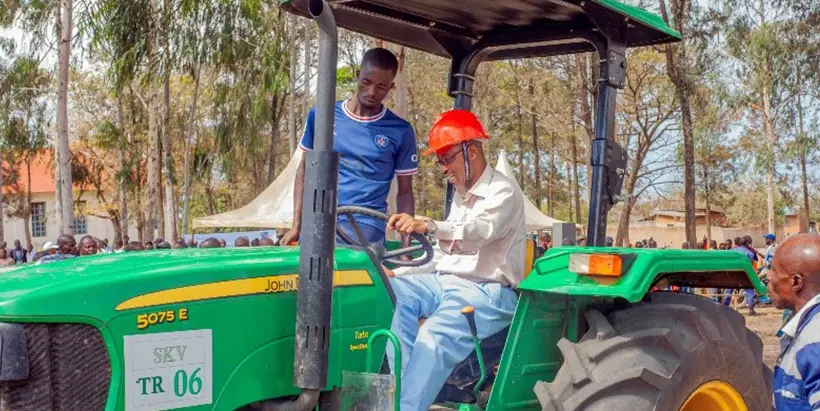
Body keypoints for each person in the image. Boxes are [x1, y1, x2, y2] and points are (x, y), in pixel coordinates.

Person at [383, 110, 525, 411]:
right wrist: (399, 273)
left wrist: (431, 224)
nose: (443, 168)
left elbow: (477, 233)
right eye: (440, 161)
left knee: (435, 335)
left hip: (489, 291)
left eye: (447, 158)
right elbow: (443, 255)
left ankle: (404, 406)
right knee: (390, 294)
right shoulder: (461, 193)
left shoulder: (503, 191)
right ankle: (400, 397)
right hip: (446, 282)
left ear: (471, 152)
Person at [281, 48, 418, 247]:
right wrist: (297, 224)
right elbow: (304, 170)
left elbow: (405, 191)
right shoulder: (322, 115)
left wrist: (406, 245)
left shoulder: (400, 131)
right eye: (366, 82)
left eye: (381, 87)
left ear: (391, 87)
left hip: (366, 226)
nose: (372, 92)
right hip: (320, 221)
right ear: (357, 76)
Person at [768, 234, 820, 411]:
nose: (768, 276)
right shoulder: (806, 325)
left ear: (796, 282)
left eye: (774, 270)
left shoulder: (815, 342)